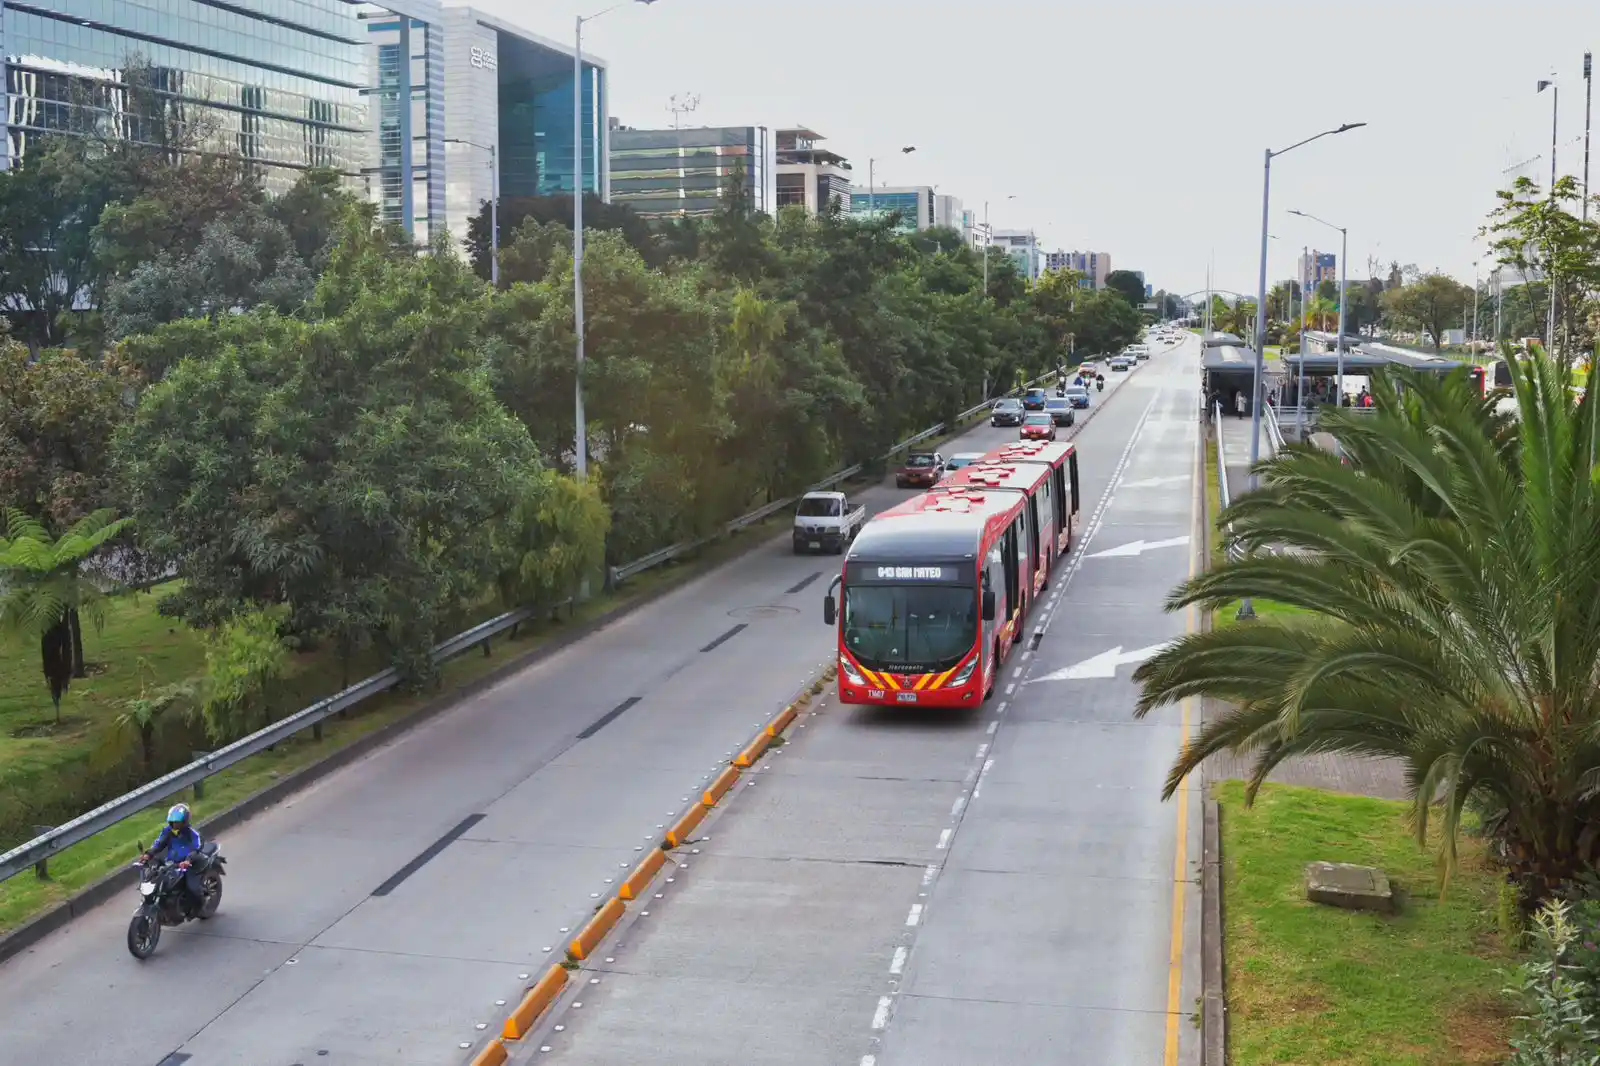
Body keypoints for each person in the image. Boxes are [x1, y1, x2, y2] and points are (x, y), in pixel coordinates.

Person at [140, 803, 206, 912]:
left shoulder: (193, 834)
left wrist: (188, 860)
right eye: (173, 822)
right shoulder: (167, 832)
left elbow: (196, 848)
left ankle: (199, 907)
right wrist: (148, 854)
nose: (175, 825)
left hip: (190, 864)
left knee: (192, 888)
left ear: (184, 822)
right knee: (155, 878)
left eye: (178, 822)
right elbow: (159, 844)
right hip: (172, 864)